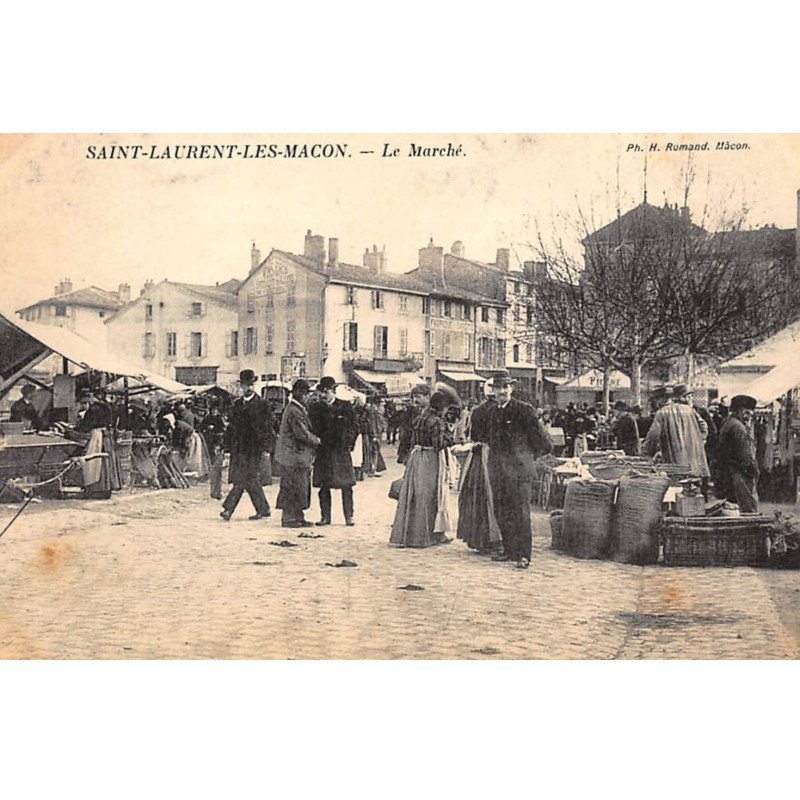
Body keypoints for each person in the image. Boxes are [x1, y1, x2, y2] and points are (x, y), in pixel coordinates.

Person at [488, 375, 552, 569]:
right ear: (493, 391)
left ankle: (524, 555)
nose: (501, 391)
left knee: (521, 513)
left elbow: (543, 441)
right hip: (498, 470)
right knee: (501, 510)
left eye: (505, 387)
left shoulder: (524, 410)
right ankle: (509, 550)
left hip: (519, 471)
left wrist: (527, 458)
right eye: (498, 388)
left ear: (511, 389)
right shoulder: (492, 412)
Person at [390, 390, 455, 548]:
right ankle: (428, 536)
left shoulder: (419, 418)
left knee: (414, 496)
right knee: (431, 497)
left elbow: (411, 439)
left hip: (416, 457)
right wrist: (450, 437)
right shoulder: (437, 421)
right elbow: (438, 444)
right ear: (443, 407)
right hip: (430, 459)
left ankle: (409, 535)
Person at [220, 370, 274, 521]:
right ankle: (263, 509)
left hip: (254, 448)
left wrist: (266, 449)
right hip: (239, 448)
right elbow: (231, 428)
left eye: (251, 384)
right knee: (250, 480)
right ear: (241, 386)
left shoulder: (263, 405)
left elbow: (268, 428)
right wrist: (227, 447)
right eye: (245, 384)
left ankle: (228, 509)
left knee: (242, 478)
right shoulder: (236, 404)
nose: (248, 387)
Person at [456, 379, 502, 554]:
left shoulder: (477, 411)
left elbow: (472, 435)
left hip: (478, 454)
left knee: (476, 495)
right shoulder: (499, 411)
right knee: (494, 494)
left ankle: (478, 538)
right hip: (494, 455)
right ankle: (497, 538)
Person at [309, 377, 359, 526]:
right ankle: (325, 517)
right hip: (323, 452)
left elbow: (355, 427)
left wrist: (348, 441)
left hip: (341, 451)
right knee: (324, 486)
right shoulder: (315, 408)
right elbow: (311, 428)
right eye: (322, 392)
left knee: (347, 486)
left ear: (333, 391)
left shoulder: (345, 406)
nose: (324, 395)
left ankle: (349, 516)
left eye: (327, 392)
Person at [275, 379, 320, 528]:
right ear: (300, 393)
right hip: (293, 456)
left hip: (295, 456)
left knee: (300, 487)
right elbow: (302, 433)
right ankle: (289, 518)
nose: (308, 397)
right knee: (292, 487)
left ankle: (298, 516)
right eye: (306, 394)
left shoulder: (296, 408)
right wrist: (317, 440)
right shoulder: (294, 410)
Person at [642, 384, 710, 479]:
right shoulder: (690, 410)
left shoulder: (662, 413)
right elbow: (704, 427)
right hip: (694, 460)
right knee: (693, 487)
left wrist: (646, 452)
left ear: (660, 400)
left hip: (675, 461)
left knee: (676, 487)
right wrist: (700, 442)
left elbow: (653, 436)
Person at [715, 394, 760, 513]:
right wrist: (752, 470)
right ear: (739, 410)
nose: (749, 415)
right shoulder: (738, 427)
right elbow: (744, 454)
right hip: (739, 473)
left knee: (732, 507)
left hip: (729, 471)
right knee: (747, 506)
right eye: (747, 412)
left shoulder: (728, 422)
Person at [198, 402, 227, 500]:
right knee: (209, 458)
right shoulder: (207, 418)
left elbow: (223, 429)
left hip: (217, 440)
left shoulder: (219, 419)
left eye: (216, 410)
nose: (214, 412)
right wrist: (207, 428)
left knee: (216, 464)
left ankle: (216, 491)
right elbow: (201, 428)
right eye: (213, 410)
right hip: (209, 440)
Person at [397, 383, 431, 464]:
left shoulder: (433, 413)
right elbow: (406, 432)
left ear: (427, 397)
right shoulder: (412, 412)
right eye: (414, 397)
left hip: (427, 454)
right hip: (413, 452)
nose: (415, 400)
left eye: (418, 397)